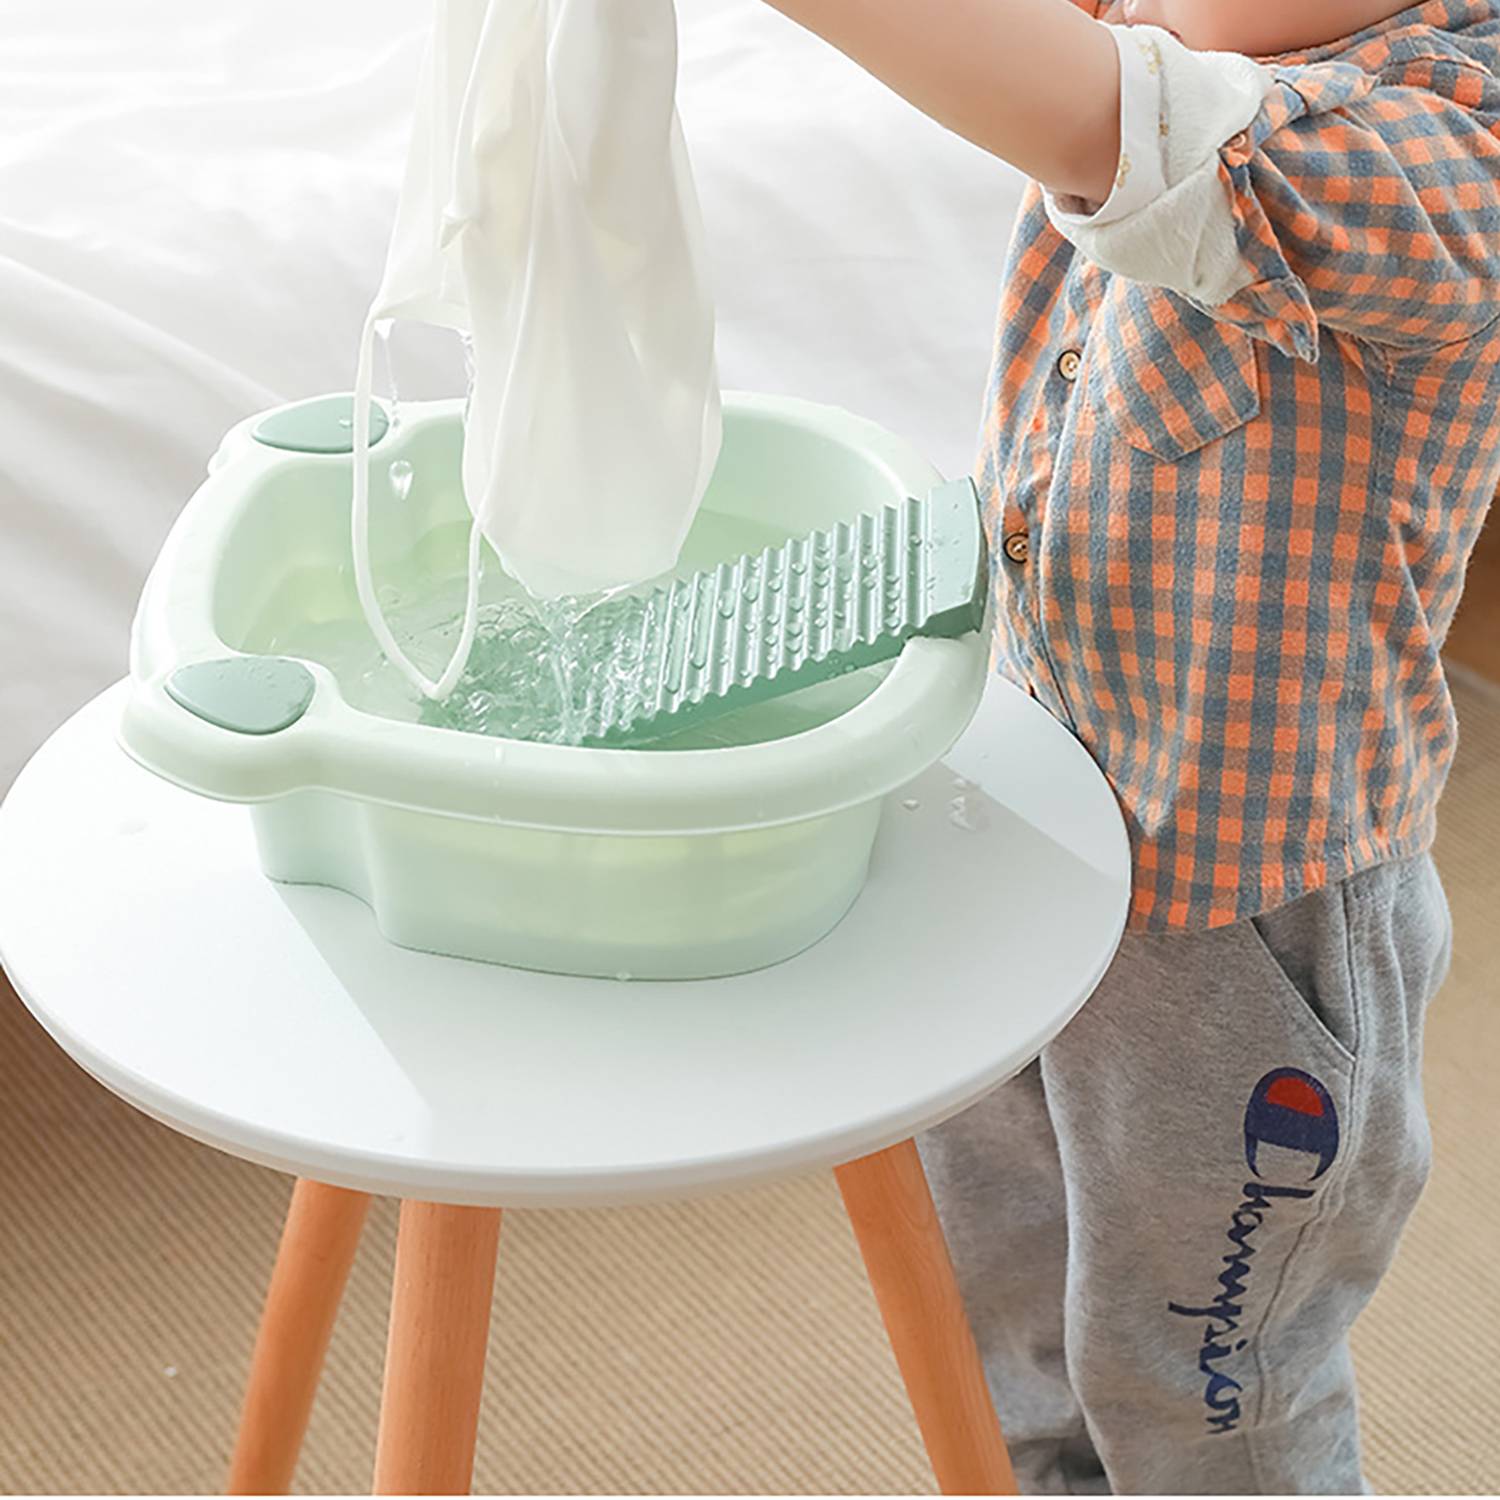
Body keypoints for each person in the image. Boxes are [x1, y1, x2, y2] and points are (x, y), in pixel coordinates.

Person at [760, 0, 1500, 1490]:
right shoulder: (1211, 41)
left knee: (1208, 1386)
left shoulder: (1448, 149)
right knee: (1019, 1309)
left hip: (1244, 924)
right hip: (1032, 822)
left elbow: (1129, 126)